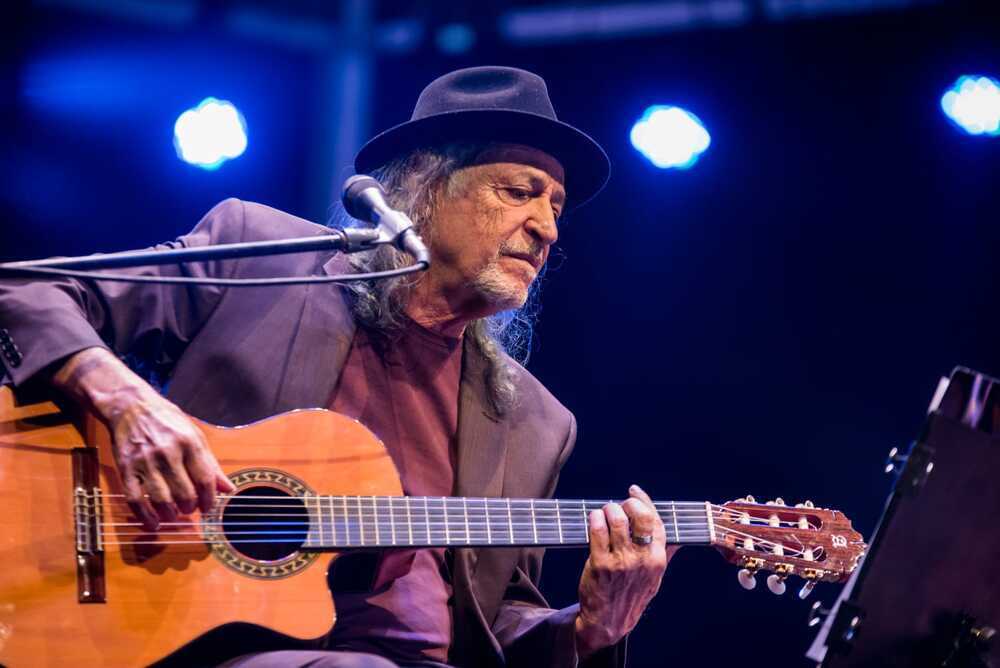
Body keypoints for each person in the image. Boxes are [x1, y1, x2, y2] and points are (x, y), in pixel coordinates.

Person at [0, 66, 673, 668]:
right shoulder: (255, 254)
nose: (547, 228)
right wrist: (125, 401)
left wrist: (588, 630)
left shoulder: (536, 422)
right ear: (427, 188)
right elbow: (28, 292)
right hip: (183, 629)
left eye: (554, 206)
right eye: (519, 192)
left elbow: (497, 624)